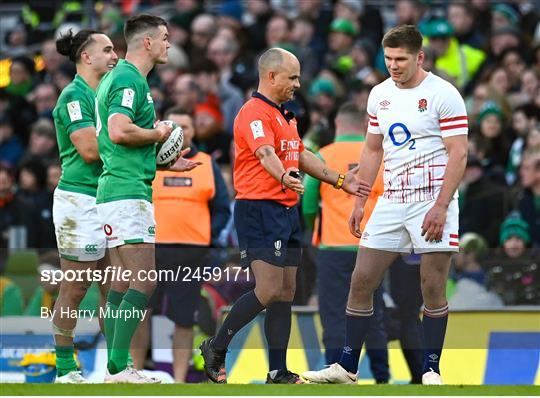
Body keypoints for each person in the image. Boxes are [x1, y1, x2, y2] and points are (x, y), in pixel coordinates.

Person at [301, 25, 469, 385]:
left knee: (432, 286)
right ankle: (346, 367)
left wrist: (441, 206)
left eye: (401, 59)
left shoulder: (444, 94)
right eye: (389, 58)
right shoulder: (379, 94)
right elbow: (373, 149)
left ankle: (431, 369)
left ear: (419, 57)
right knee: (361, 280)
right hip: (391, 199)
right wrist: (360, 201)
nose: (393, 65)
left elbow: (459, 152)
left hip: (431, 199)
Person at [199, 47, 371, 384]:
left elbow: (300, 154)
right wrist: (282, 176)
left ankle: (277, 370)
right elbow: (264, 152)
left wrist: (338, 179)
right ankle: (216, 345)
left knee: (286, 291)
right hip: (259, 209)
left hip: (285, 208)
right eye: (292, 77)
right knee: (268, 288)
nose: (297, 83)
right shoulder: (253, 113)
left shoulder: (284, 115)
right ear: (271, 76)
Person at [95, 14, 200, 384]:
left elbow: (122, 139)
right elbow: (119, 130)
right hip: (126, 192)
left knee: (123, 282)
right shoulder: (128, 78)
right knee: (145, 279)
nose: (170, 44)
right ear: (147, 43)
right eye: (166, 38)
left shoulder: (119, 77)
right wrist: (159, 133)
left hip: (117, 188)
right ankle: (118, 368)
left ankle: (117, 366)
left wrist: (169, 159)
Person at [133, 106, 231, 381]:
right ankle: (136, 373)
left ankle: (178, 380)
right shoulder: (145, 160)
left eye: (185, 127)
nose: (179, 132)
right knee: (141, 311)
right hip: (149, 249)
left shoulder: (207, 163)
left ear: (194, 131)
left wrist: (206, 235)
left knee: (184, 318)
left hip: (190, 253)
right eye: (173, 125)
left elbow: (222, 208)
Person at [302, 102, 389, 383]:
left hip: (333, 248)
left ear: (338, 124)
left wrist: (313, 228)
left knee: (334, 314)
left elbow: (307, 202)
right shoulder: (381, 157)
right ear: (365, 125)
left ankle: (334, 371)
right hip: (373, 245)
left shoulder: (323, 156)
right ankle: (382, 377)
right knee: (373, 315)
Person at [51, 28, 118, 384]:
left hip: (109, 196)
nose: (114, 56)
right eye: (107, 50)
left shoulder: (108, 93)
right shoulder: (73, 97)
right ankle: (65, 369)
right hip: (79, 199)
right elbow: (90, 151)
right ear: (86, 57)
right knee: (75, 287)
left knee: (115, 287)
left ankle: (117, 370)